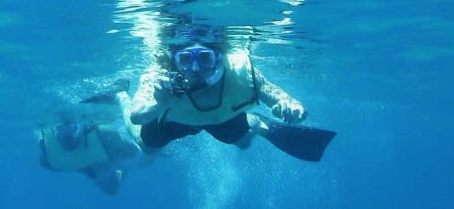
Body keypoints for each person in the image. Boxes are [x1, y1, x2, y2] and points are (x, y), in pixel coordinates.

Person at [117, 29, 335, 163]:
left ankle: (256, 123)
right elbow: (137, 116)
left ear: (220, 59)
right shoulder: (159, 77)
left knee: (243, 143)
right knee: (145, 145)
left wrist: (294, 109)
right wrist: (158, 105)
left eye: (205, 59)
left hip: (221, 117)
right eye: (185, 61)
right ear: (174, 62)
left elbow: (284, 99)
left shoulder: (239, 71)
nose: (195, 69)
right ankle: (119, 95)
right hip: (175, 118)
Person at [37, 118, 151, 196]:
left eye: (71, 128)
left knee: (111, 188)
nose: (65, 134)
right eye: (59, 128)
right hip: (90, 154)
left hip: (106, 150)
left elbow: (136, 149)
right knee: (111, 189)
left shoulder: (104, 135)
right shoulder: (47, 148)